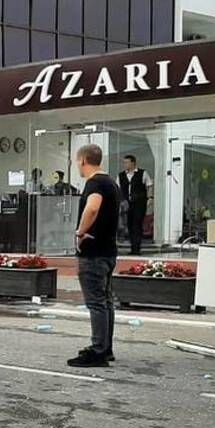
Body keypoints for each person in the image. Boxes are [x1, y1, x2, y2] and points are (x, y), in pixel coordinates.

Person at [69, 144, 121, 368]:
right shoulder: (111, 182)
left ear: (83, 160)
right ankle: (105, 347)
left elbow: (92, 208)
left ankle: (98, 350)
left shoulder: (95, 183)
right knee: (106, 300)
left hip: (94, 252)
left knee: (96, 302)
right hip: (109, 250)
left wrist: (80, 233)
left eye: (75, 161)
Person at [119, 154, 152, 255]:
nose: (125, 164)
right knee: (129, 225)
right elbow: (118, 189)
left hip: (139, 203)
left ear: (133, 163)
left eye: (127, 162)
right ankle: (133, 247)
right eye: (124, 163)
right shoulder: (121, 175)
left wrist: (150, 198)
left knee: (137, 224)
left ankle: (136, 248)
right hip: (127, 204)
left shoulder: (143, 173)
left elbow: (149, 186)